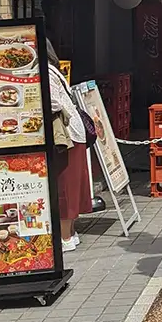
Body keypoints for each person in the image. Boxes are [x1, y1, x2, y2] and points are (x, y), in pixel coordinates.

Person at [46, 42, 92, 253]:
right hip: (75, 132)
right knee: (73, 186)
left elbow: (53, 103)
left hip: (66, 135)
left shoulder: (44, 72)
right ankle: (71, 233)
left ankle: (65, 238)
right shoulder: (55, 70)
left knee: (64, 186)